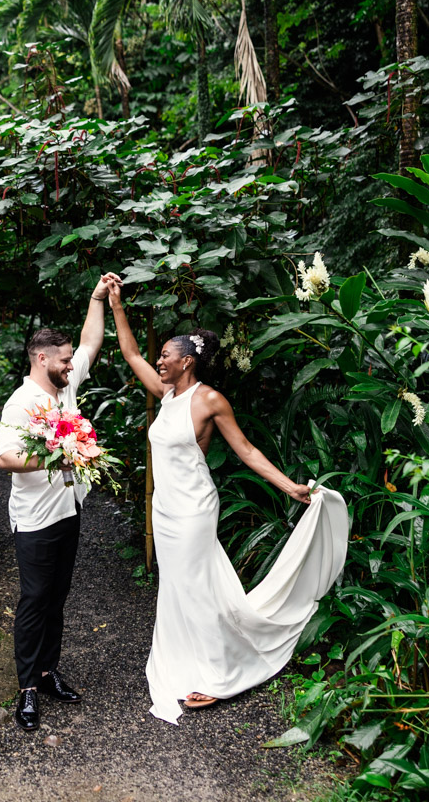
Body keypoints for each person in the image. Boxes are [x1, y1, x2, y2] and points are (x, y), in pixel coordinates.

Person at [107, 279, 348, 725]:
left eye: (167, 356)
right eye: (160, 356)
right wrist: (116, 305)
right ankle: (188, 659)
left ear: (187, 362)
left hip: (195, 508)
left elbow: (247, 450)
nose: (158, 360)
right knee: (177, 588)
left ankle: (218, 674)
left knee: (196, 588)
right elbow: (131, 355)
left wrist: (289, 487)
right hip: (165, 509)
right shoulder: (167, 395)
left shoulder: (209, 400)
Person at [0, 274, 120, 731]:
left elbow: (91, 340)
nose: (73, 365)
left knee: (58, 599)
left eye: (71, 361)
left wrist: (97, 297)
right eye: (65, 360)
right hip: (33, 520)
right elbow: (6, 456)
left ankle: (48, 673)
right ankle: (27, 688)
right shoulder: (21, 402)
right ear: (42, 359)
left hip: (69, 511)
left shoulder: (64, 385)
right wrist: (59, 451)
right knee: (34, 599)